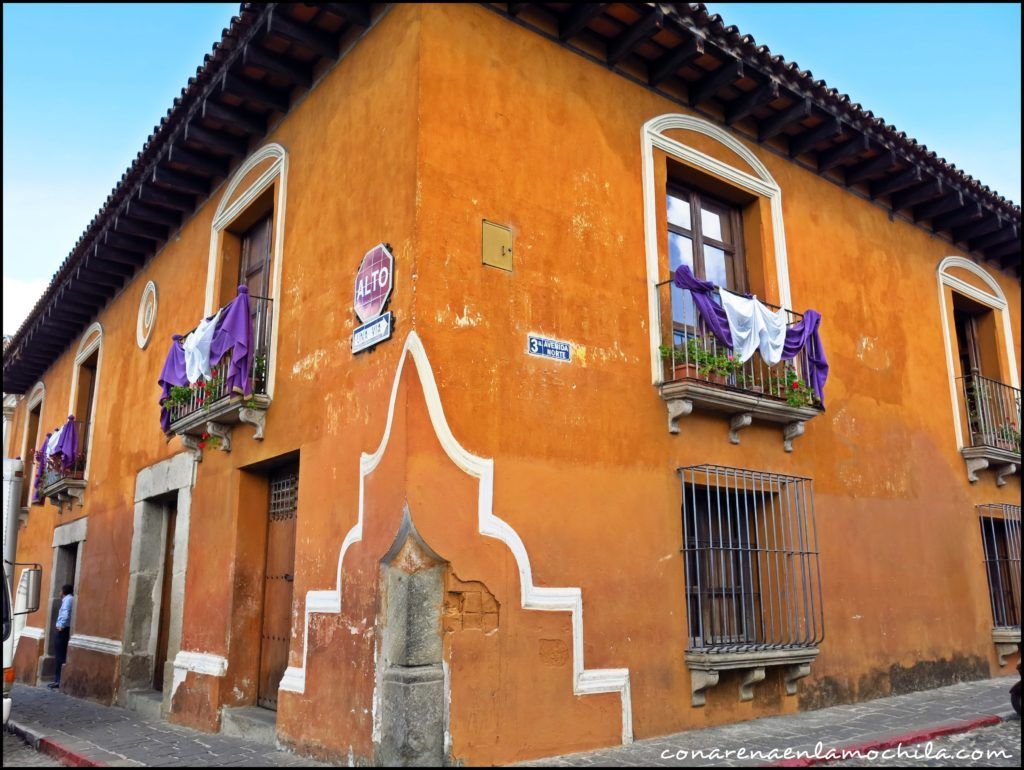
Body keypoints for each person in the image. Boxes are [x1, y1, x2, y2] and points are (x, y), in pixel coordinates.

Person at [47, 584, 73, 689]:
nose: (59, 593)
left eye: (60, 591)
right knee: (61, 654)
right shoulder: (71, 599)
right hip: (65, 629)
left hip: (62, 630)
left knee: (59, 655)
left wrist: (61, 626)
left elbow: (65, 613)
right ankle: (58, 680)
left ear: (63, 592)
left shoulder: (67, 600)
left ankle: (58, 680)